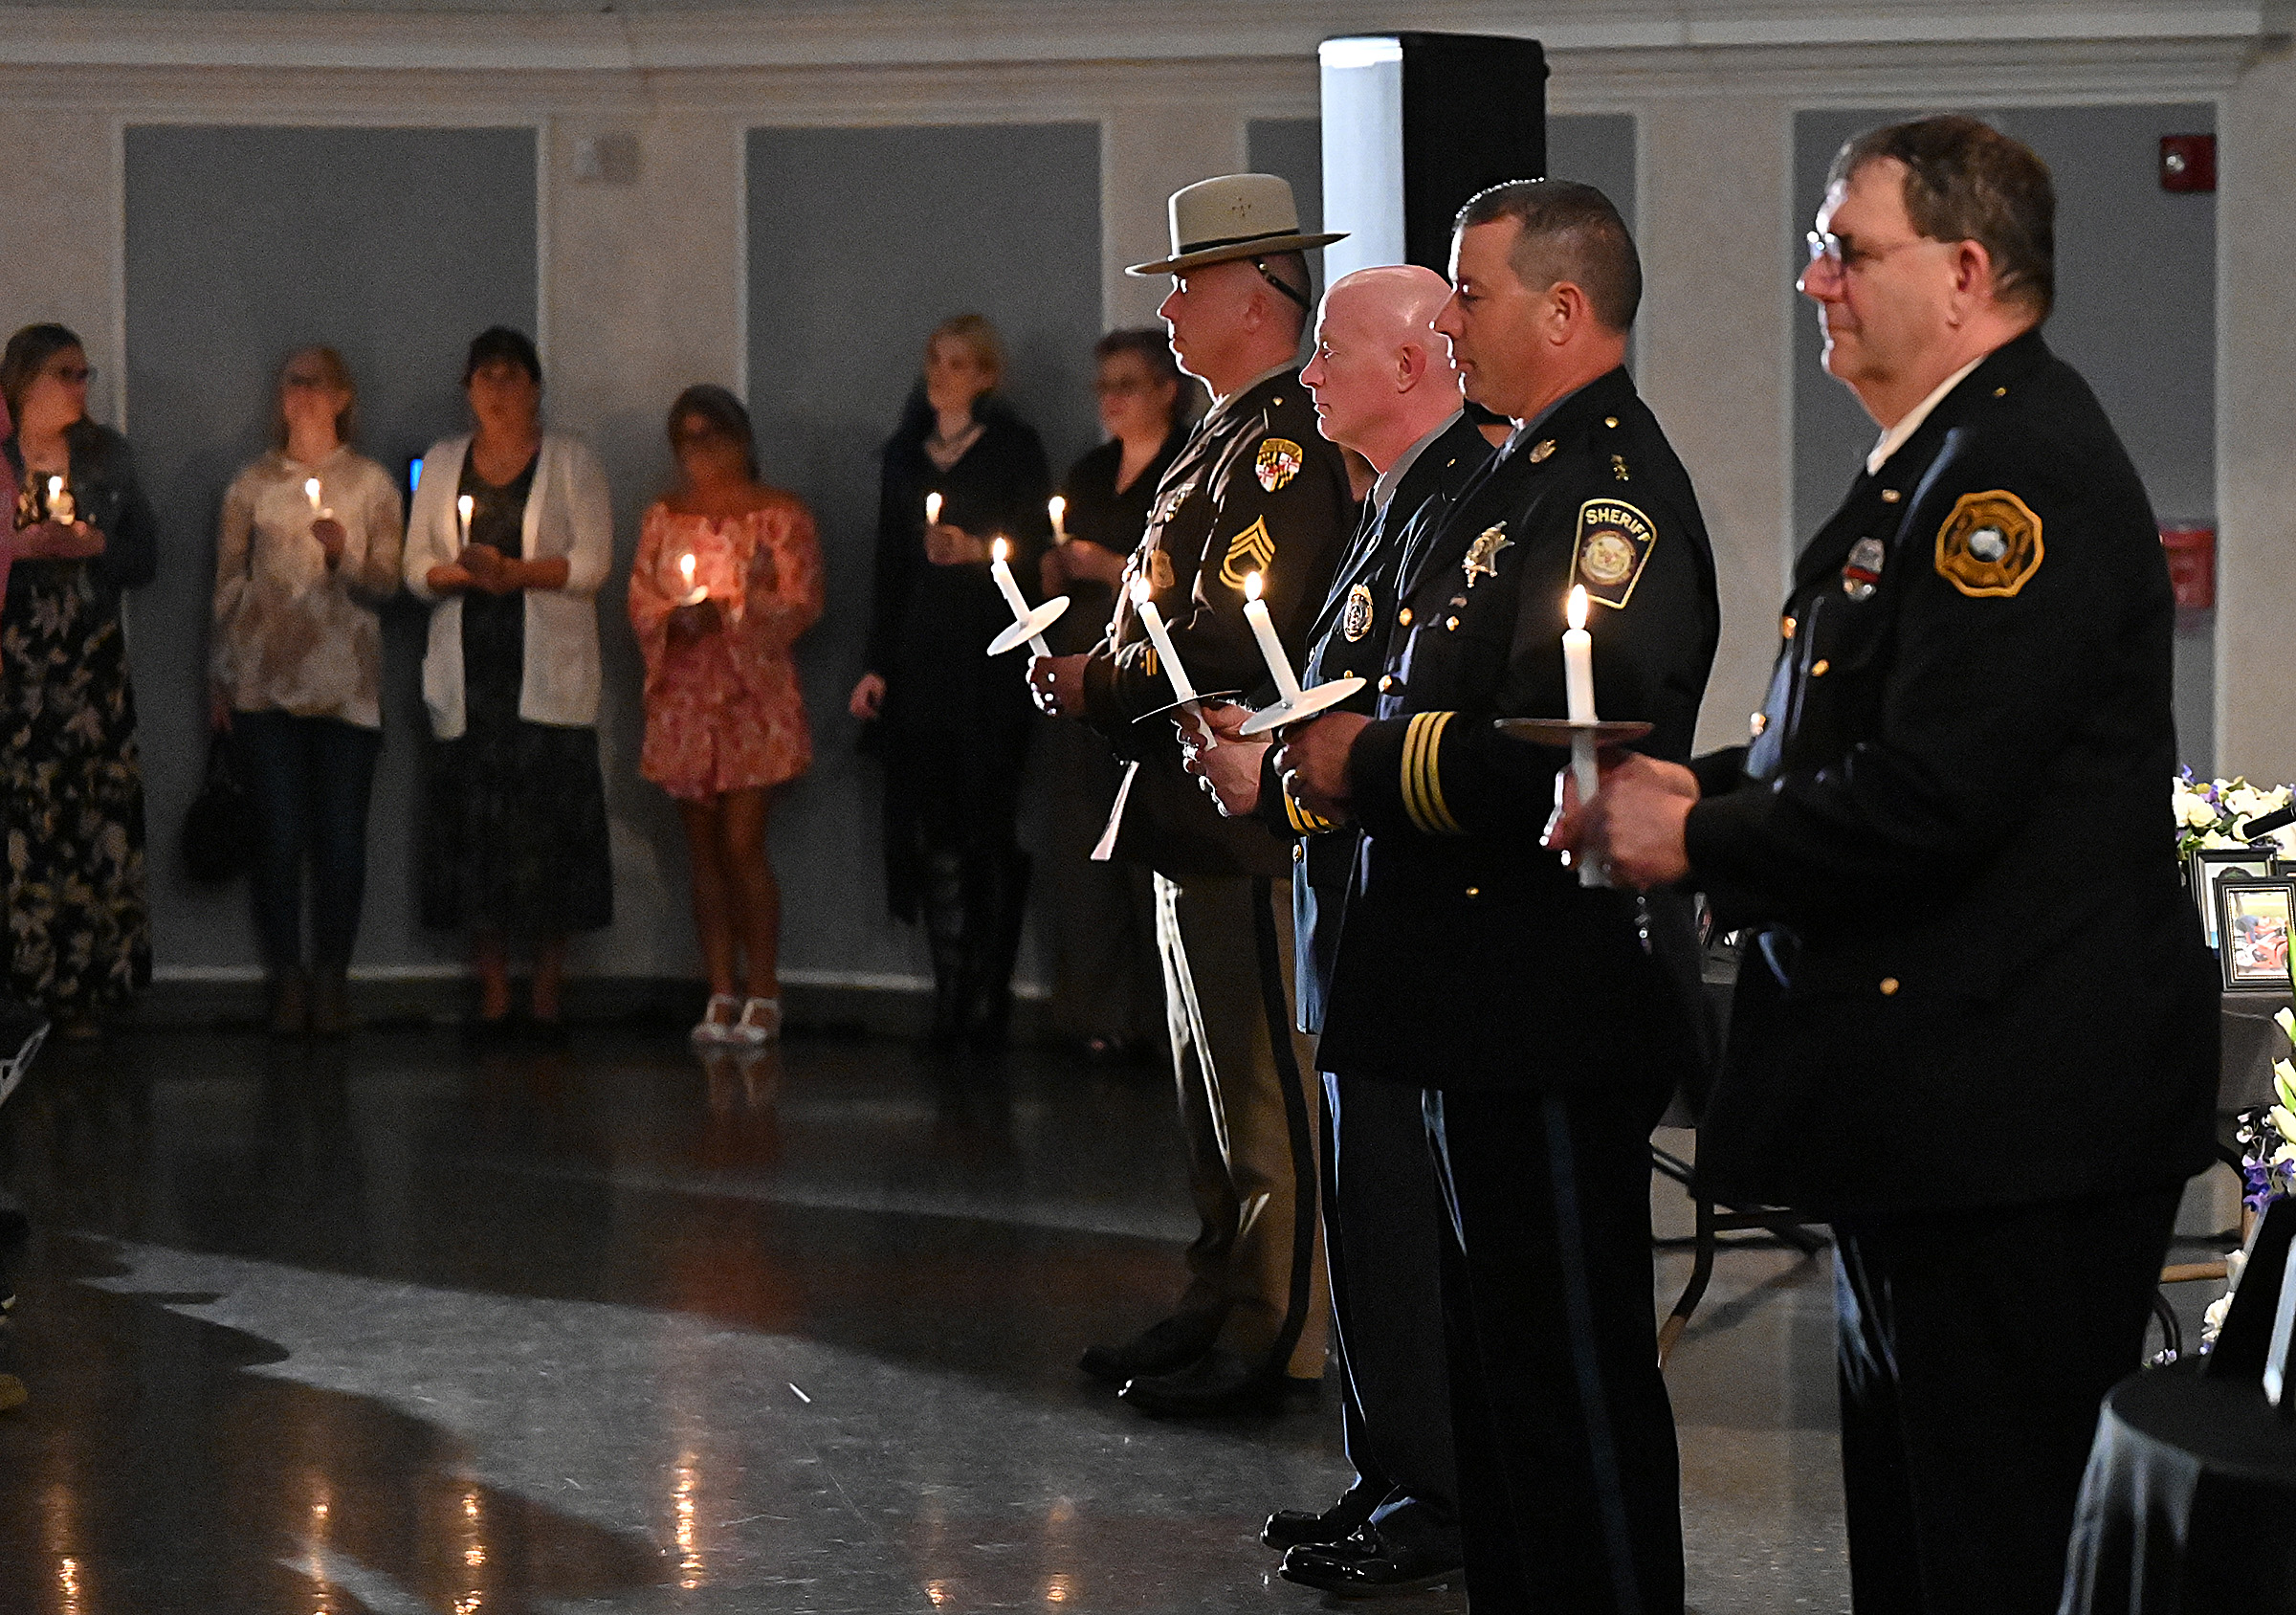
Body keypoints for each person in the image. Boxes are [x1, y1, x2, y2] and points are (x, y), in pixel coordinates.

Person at [1550, 117, 2220, 1615]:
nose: (1813, 281)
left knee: (1987, 1542)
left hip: (2013, 1125)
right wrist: (1695, 785)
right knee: (1918, 1536)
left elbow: (1938, 797)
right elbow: (1862, 745)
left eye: (1846, 250)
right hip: (1934, 1114)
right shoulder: (1937, 458)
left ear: (1967, 273)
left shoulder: (2010, 482)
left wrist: (1700, 836)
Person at [1274, 180, 1720, 1612]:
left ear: (1565, 310)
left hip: (1546, 991)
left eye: (1471, 293)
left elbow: (1563, 744)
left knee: (1569, 1378)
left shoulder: (1605, 495)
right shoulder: (1504, 472)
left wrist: (1366, 758)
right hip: (1471, 997)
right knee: (1499, 1372)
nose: (1452, 320)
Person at [1027, 172, 1354, 1416]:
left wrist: (1102, 681)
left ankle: (1280, 1329)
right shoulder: (1225, 433)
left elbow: (1224, 629)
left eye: (1186, 281)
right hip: (1183, 800)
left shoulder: (1284, 441)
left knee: (1263, 1083)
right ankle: (1221, 1291)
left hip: (1244, 810)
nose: (1166, 306)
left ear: (1261, 292)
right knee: (1208, 1083)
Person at [1186, 264, 1489, 1595]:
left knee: (1407, 1233)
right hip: (1355, 905)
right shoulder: (1387, 507)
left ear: (1414, 365)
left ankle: (1433, 1493)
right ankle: (1385, 1471)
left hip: (1418, 924)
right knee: (1372, 1226)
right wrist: (1282, 765)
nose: (1308, 379)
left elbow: (1417, 734)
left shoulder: (1460, 510)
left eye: (1331, 353)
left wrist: (1294, 773)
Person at [848, 314, 1053, 1052]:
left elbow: (1039, 548)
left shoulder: (1012, 451)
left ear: (987, 376)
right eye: (935, 360)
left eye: (959, 363)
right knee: (931, 832)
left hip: (989, 660)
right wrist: (876, 665)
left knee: (985, 829)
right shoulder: (906, 456)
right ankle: (948, 992)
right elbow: (888, 568)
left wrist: (977, 550)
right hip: (921, 662)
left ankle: (986, 1000)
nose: (942, 374)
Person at [405, 327, 614, 1036]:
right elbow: (415, 567)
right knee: (476, 836)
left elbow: (591, 565)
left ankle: (548, 989)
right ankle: (493, 991)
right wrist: (461, 574)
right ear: (467, 387)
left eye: (511, 375)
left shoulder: (570, 460)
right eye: (485, 376)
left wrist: (516, 574)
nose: (498, 389)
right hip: (472, 674)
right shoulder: (441, 462)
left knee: (550, 834)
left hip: (544, 676)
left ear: (535, 386)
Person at [210, 346, 406, 1037]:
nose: (303, 394)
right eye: (292, 381)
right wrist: (221, 675)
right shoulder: (253, 483)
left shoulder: (373, 484)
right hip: (265, 684)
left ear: (344, 394)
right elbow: (229, 584)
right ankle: (285, 981)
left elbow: (387, 583)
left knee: (341, 841)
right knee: (278, 836)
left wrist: (340, 555)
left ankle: (333, 981)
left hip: (347, 685)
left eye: (316, 382)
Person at [630, 385, 824, 1047]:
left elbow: (804, 604)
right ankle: (719, 988)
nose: (698, 452)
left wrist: (750, 605)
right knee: (702, 850)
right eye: (686, 439)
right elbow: (643, 599)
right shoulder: (665, 516)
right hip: (686, 697)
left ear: (739, 439)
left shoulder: (780, 514)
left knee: (744, 846)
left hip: (751, 697)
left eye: (710, 436)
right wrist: (676, 619)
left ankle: (764, 991)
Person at [0, 323, 159, 1038]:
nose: (80, 386)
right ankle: (29, 984)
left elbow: (146, 552)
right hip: (17, 664)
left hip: (88, 664)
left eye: (85, 373)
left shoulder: (106, 456)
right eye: (66, 372)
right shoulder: (0, 459)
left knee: (94, 816)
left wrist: (95, 544)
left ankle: (91, 990)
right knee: (26, 823)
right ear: (25, 377)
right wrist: (19, 546)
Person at [1036, 329, 1189, 1064]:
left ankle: (1169, 1021)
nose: (1112, 400)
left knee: (1147, 839)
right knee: (1081, 838)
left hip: (1151, 671)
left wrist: (1111, 564)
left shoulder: (1186, 464)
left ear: (1166, 388)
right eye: (1104, 386)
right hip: (1085, 663)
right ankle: (1099, 1013)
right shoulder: (1092, 472)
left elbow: (1182, 574)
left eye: (1129, 383)